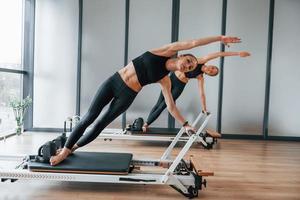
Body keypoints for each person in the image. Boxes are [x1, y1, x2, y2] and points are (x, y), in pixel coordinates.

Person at [50, 35, 241, 166]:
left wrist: (185, 124)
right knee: (88, 118)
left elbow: (170, 105)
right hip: (114, 81)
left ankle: (68, 149)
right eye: (189, 61)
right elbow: (193, 42)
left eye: (190, 67)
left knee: (99, 125)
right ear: (182, 55)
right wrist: (219, 38)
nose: (188, 65)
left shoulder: (165, 79)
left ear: (187, 72)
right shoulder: (165, 51)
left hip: (127, 96)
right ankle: (68, 148)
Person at [142, 51, 250, 132]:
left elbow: (202, 94)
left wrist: (204, 108)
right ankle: (146, 123)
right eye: (213, 68)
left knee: (164, 105)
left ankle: (146, 124)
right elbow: (218, 54)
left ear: (209, 75)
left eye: (212, 72)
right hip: (171, 79)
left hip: (179, 86)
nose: (211, 70)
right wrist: (238, 53)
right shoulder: (200, 60)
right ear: (211, 65)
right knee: (158, 103)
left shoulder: (200, 77)